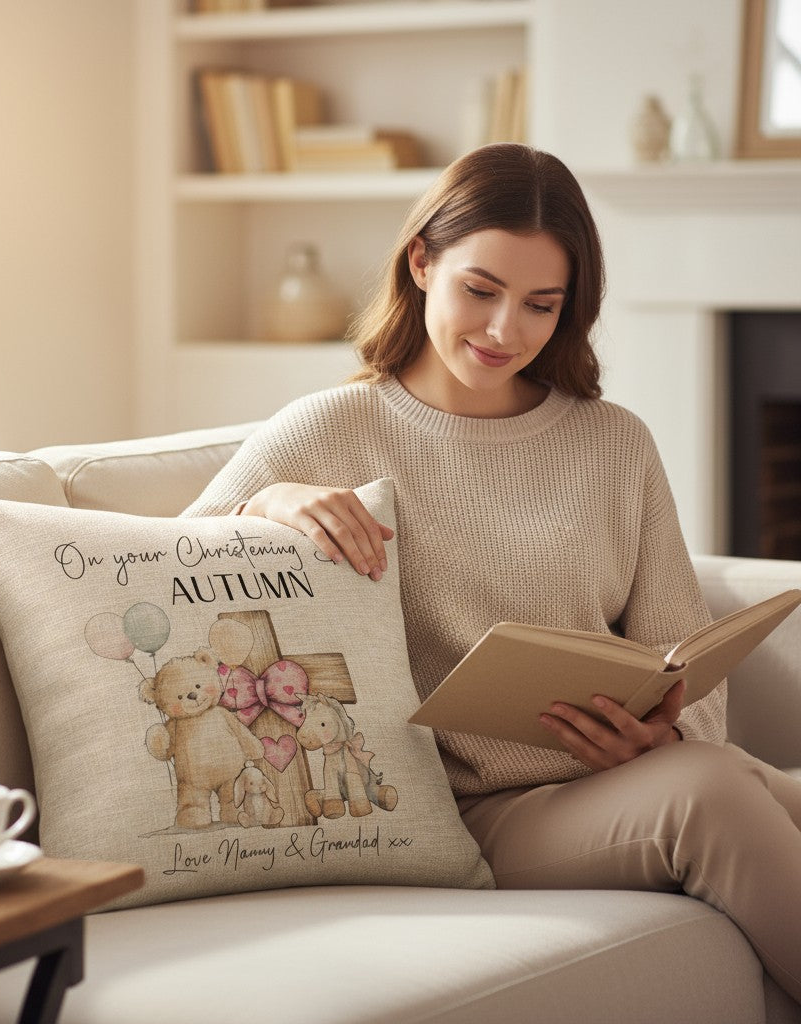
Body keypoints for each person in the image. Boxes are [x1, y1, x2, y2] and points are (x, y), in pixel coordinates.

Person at [183, 143, 801, 1002]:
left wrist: (664, 735)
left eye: (541, 305)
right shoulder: (330, 428)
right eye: (481, 291)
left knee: (731, 775)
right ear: (422, 261)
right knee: (710, 793)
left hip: (616, 782)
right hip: (462, 816)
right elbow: (158, 570)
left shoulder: (614, 441)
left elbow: (682, 654)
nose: (506, 330)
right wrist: (268, 502)